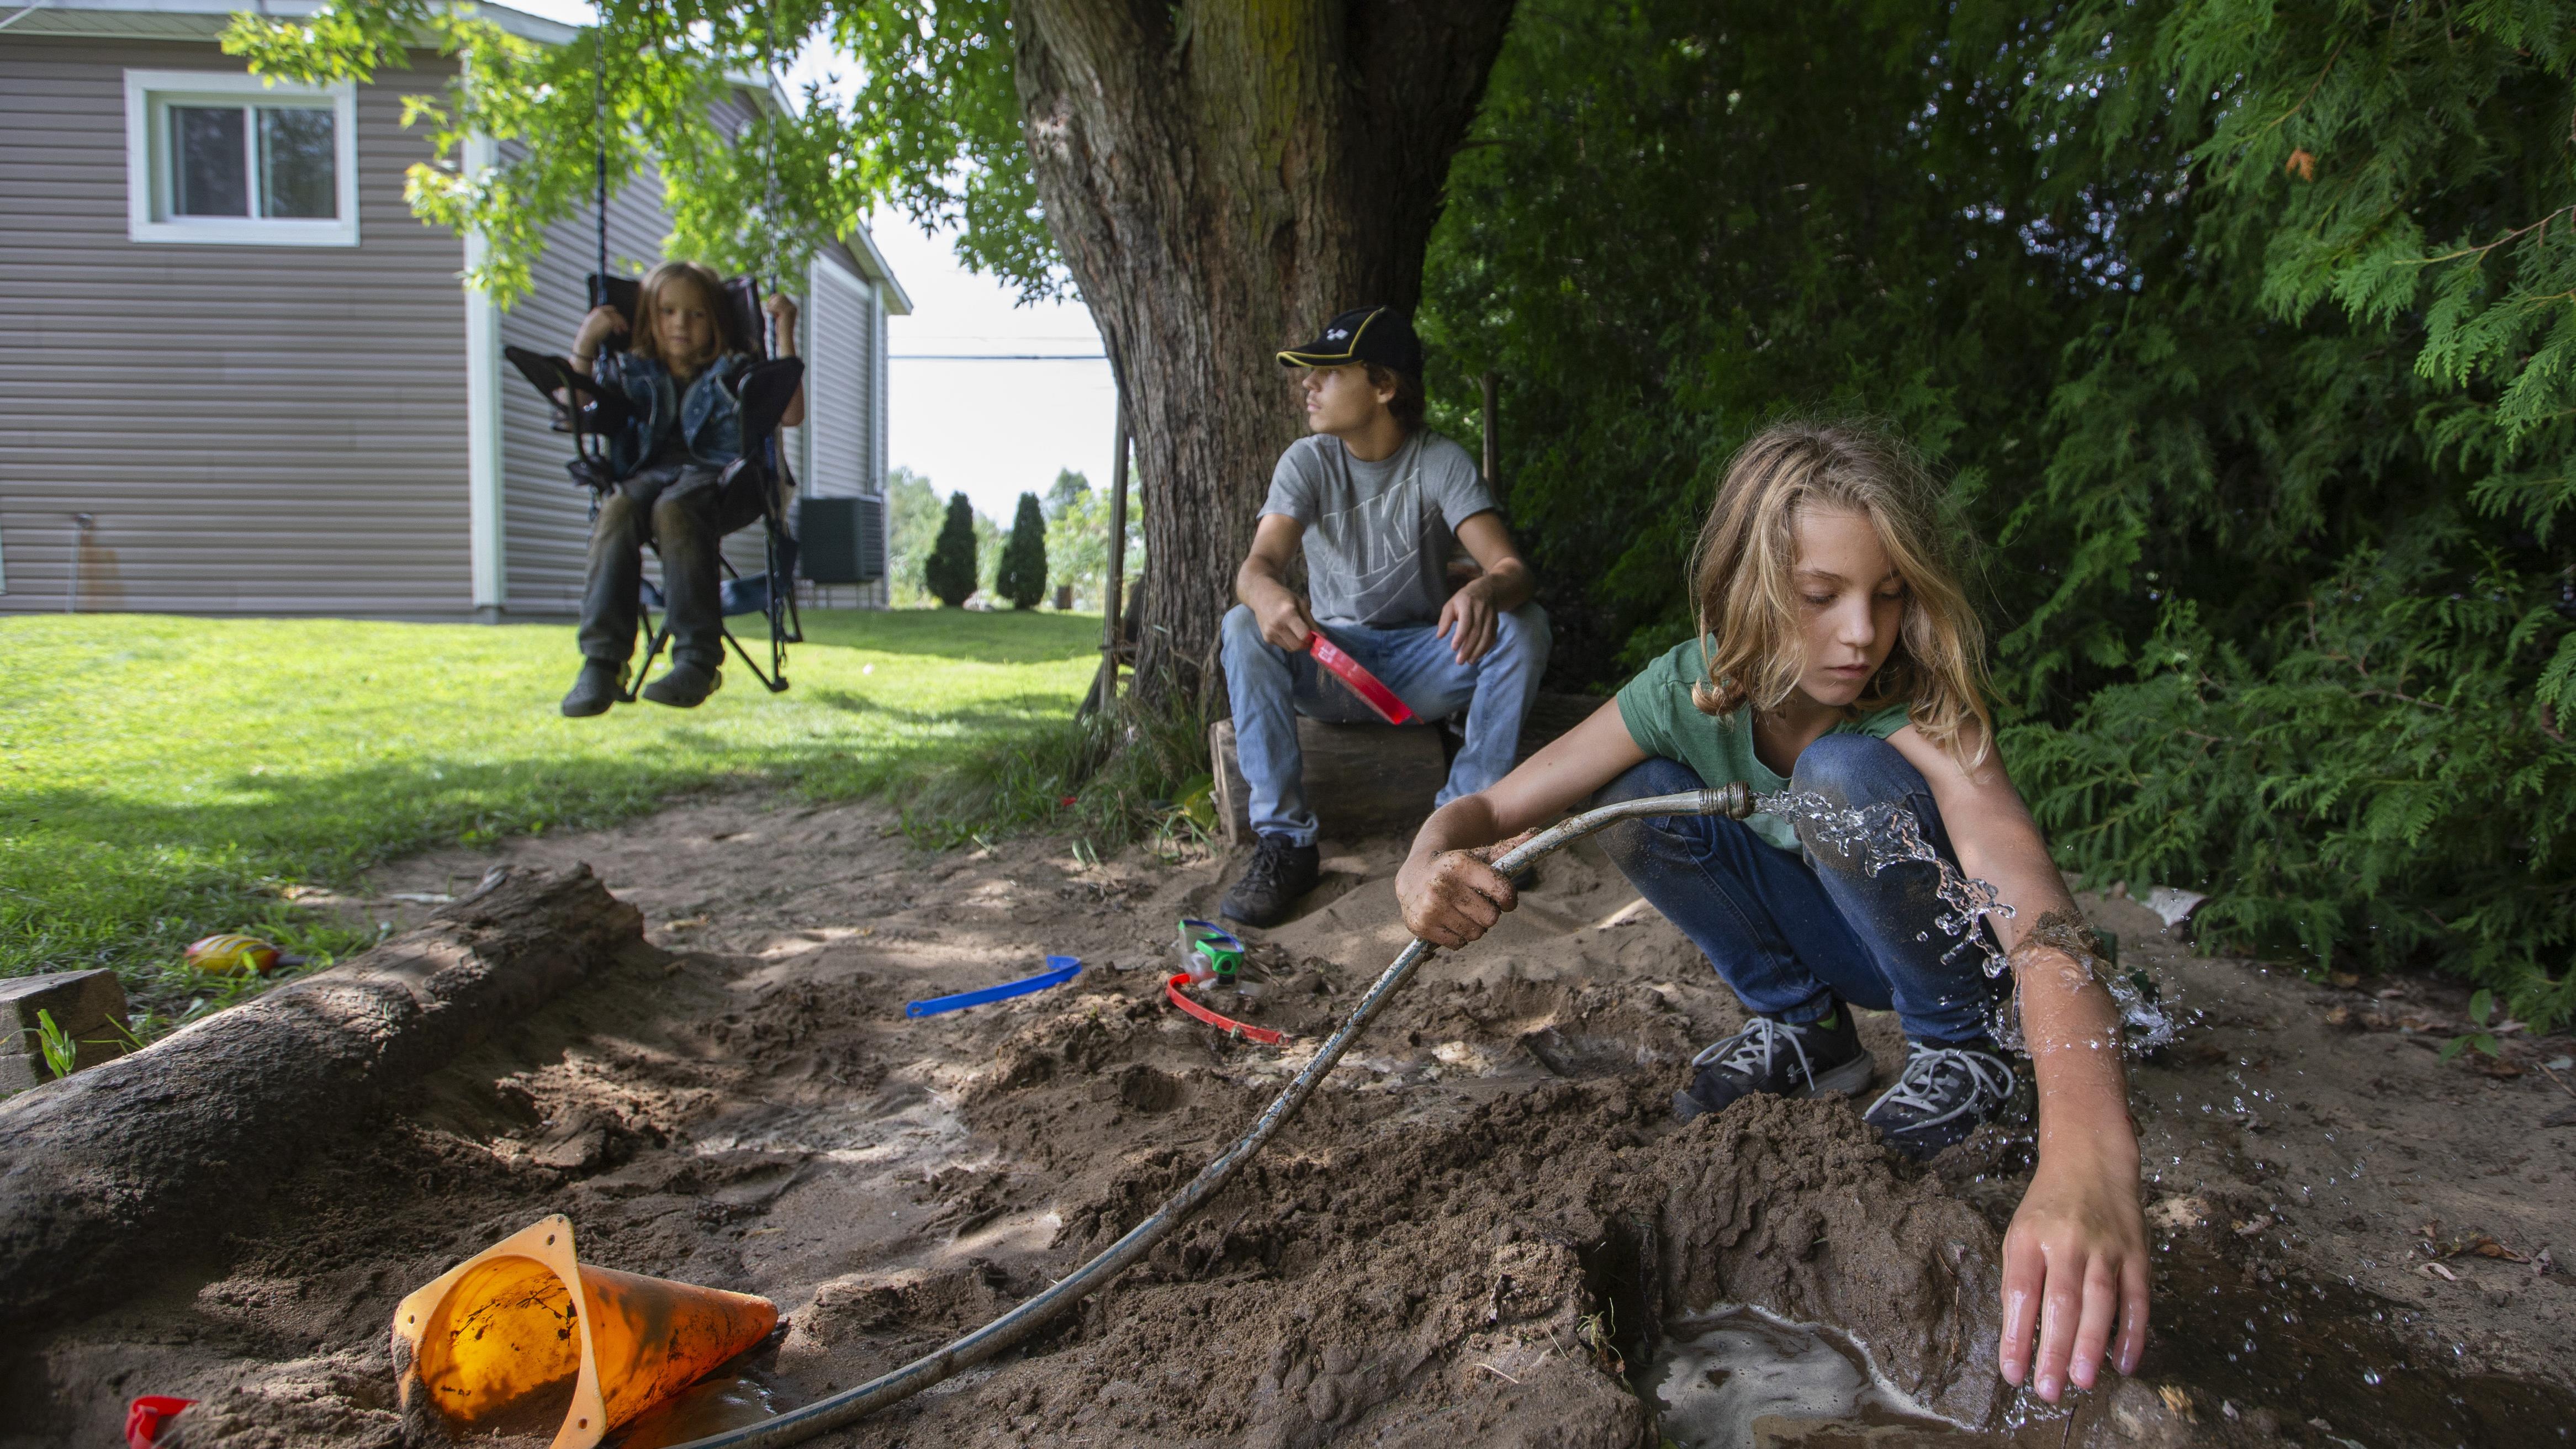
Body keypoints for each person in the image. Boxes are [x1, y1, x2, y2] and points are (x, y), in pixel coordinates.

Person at [1394, 422, 2148, 1406]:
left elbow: (2038, 911)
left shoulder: (1919, 699)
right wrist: (1422, 856)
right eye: (1820, 594)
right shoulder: (1688, 684)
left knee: (1839, 776)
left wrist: (2088, 1144)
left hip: (1951, 954)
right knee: (1641, 788)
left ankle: (1963, 1050)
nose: (1861, 633)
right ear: (1741, 587)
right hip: (1833, 938)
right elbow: (1493, 809)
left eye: (1887, 594)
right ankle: (1802, 1029)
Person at [1221, 306, 1552, 926]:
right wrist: (1265, 594)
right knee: (1241, 625)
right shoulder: (1308, 461)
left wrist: (1485, 590)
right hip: (1332, 662)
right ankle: (1286, 843)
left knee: (1524, 622)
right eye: (1308, 374)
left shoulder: (1438, 460)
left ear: (1384, 386)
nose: (1307, 384)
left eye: (1329, 371)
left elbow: (1512, 570)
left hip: (1424, 664)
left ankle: (1464, 825)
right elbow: (1256, 566)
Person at [558, 261, 805, 716]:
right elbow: (574, 408)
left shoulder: (736, 369)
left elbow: (788, 415)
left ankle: (698, 658)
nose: (680, 324)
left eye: (696, 314)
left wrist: (785, 329)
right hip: (645, 478)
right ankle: (602, 662)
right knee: (617, 509)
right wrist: (586, 342)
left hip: (726, 480)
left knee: (674, 507)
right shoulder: (630, 370)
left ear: (717, 321)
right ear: (648, 318)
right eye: (668, 311)